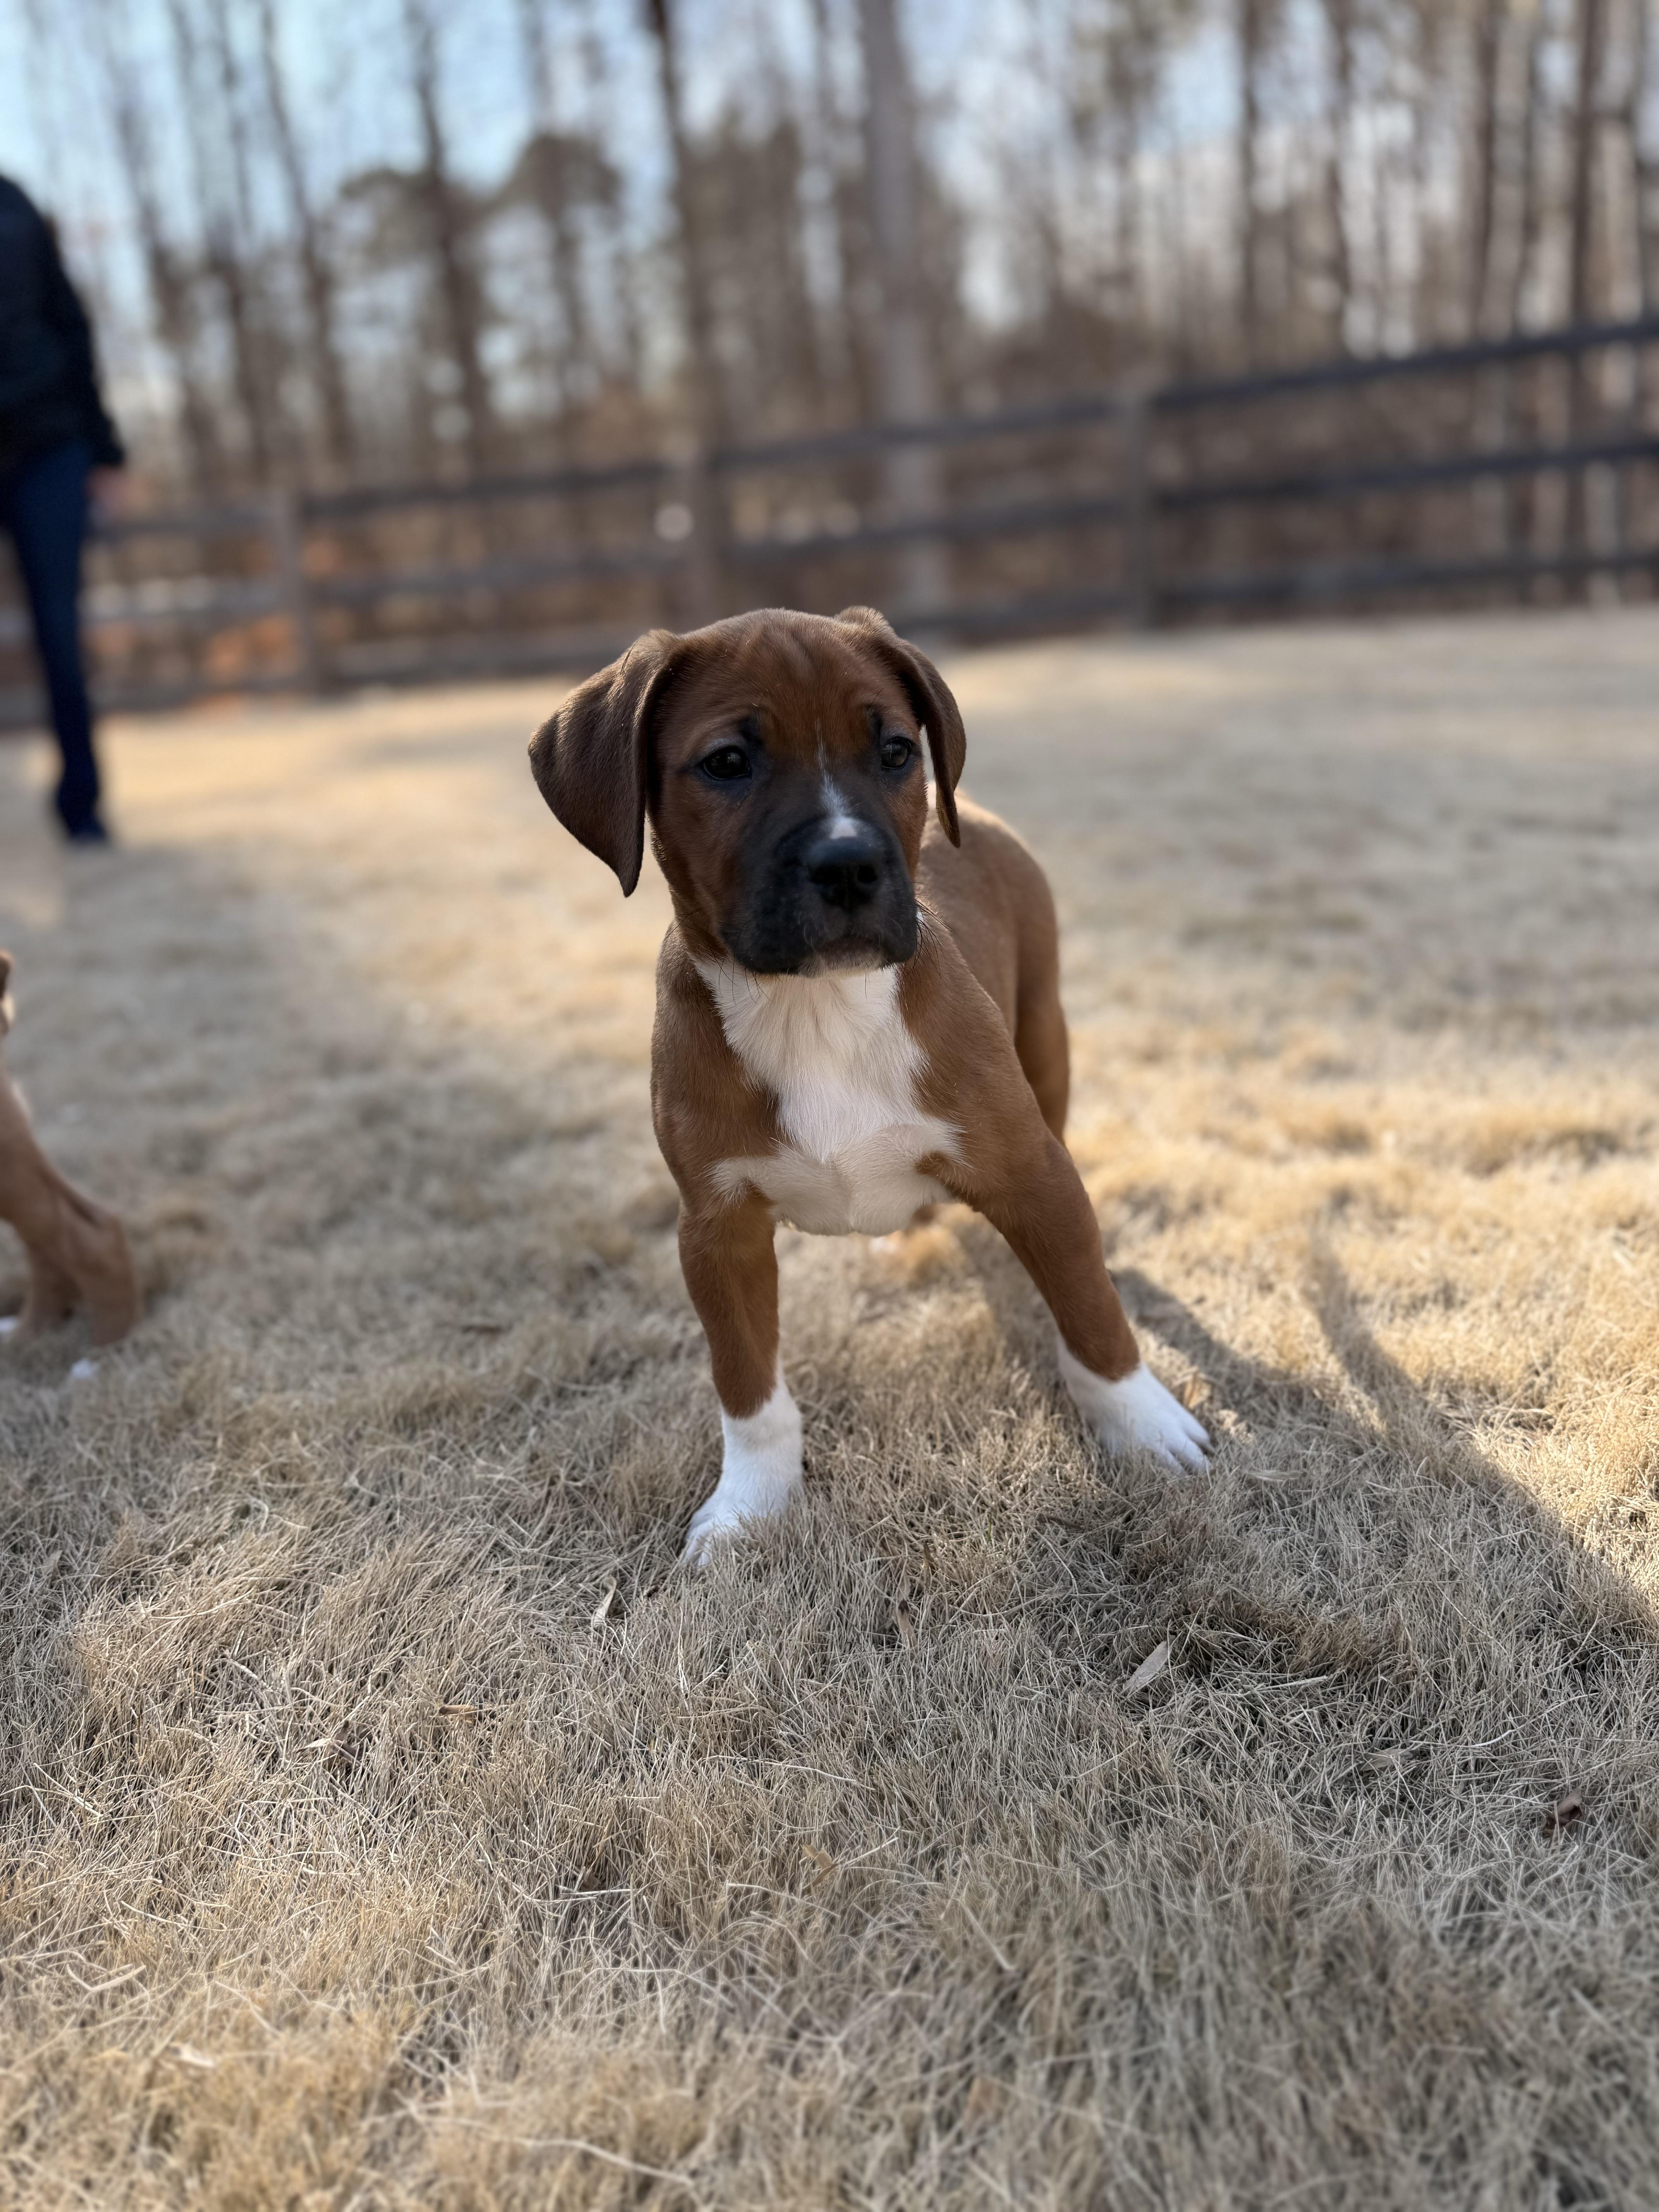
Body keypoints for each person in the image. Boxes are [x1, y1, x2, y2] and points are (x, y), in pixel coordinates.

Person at [0, 175, 125, 844]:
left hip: (49, 448)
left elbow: (69, 323)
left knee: (60, 631)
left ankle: (83, 806)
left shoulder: (13, 204)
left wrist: (106, 449)